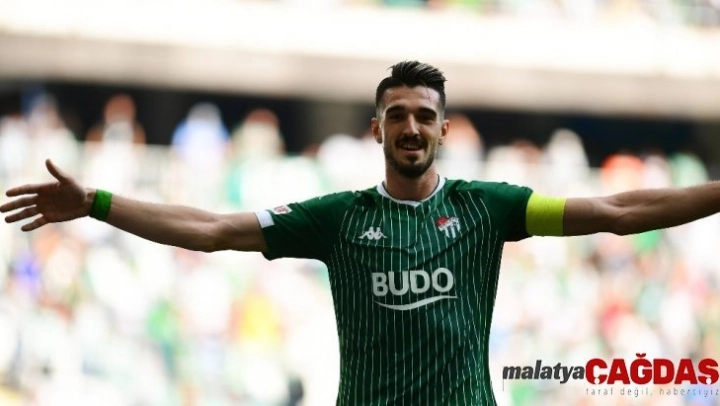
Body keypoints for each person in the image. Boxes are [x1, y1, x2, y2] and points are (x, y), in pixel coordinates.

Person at [2, 60, 720, 405]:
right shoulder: (338, 219)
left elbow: (617, 211)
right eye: (397, 115)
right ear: (377, 129)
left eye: (425, 115)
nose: (411, 126)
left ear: (443, 128)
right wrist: (96, 202)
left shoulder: (490, 208)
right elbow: (213, 228)